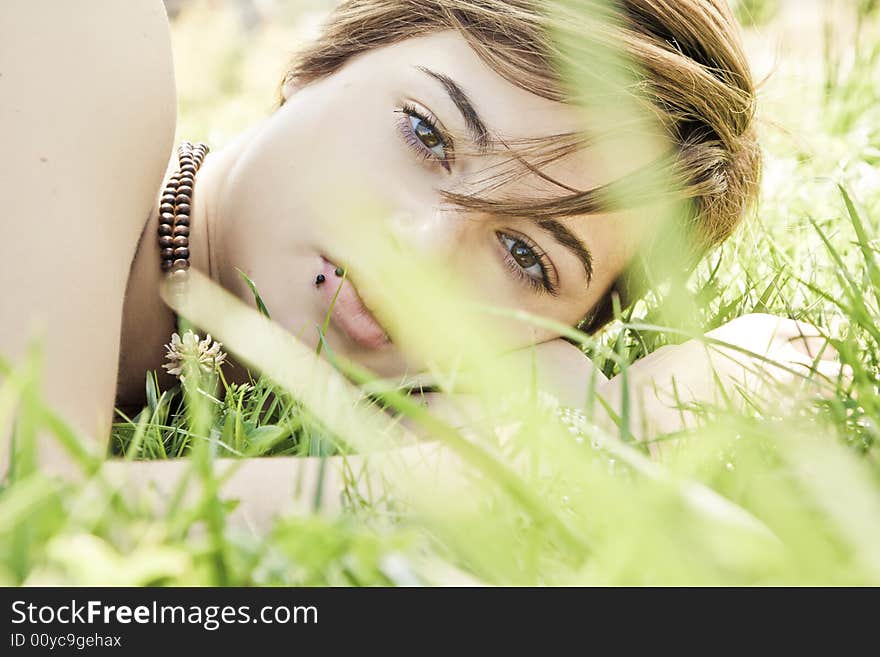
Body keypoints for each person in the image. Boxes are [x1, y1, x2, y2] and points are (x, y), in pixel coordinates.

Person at [0, 0, 842, 524]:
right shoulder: (77, 29)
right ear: (326, 58)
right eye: (426, 133)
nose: (421, 248)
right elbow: (34, 537)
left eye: (524, 255)